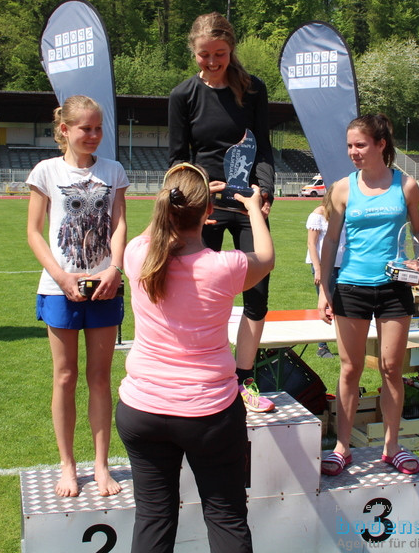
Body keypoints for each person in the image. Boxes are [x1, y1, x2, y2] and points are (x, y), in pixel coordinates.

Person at [116, 163, 273, 553]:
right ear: (209, 213)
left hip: (142, 409)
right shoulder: (225, 267)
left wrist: (178, 193)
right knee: (225, 517)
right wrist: (254, 208)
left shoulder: (136, 255)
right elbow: (266, 257)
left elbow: (155, 231)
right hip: (209, 414)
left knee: (153, 518)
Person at [168, 12, 276, 412]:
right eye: (204, 55)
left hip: (247, 204)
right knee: (198, 295)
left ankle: (245, 380)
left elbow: (263, 147)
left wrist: (264, 191)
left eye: (220, 54)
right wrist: (193, 205)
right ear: (193, 52)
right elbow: (177, 163)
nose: (212, 62)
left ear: (231, 49)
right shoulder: (183, 96)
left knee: (258, 294)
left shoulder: (253, 91)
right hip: (203, 209)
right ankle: (203, 375)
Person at [26, 95, 128, 498]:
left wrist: (114, 269)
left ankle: (101, 466)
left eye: (98, 128)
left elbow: (120, 224)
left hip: (104, 286)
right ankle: (68, 466)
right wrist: (60, 275)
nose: (93, 135)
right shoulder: (46, 171)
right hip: (59, 287)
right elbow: (34, 232)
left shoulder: (113, 170)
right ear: (65, 129)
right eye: (85, 128)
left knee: (100, 378)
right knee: (65, 377)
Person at [317, 113, 419, 477]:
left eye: (360, 145)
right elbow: (331, 240)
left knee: (392, 368)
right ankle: (341, 447)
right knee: (349, 369)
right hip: (351, 287)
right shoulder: (341, 188)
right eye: (349, 145)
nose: (353, 152)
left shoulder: (407, 185)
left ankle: (392, 447)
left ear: (382, 144)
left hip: (395, 289)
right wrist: (324, 288)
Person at [307, 187, 346, 358]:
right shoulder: (319, 213)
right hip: (324, 266)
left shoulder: (345, 212)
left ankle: (345, 342)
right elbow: (311, 244)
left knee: (343, 304)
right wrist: (318, 269)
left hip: (344, 266)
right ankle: (322, 346)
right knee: (326, 304)